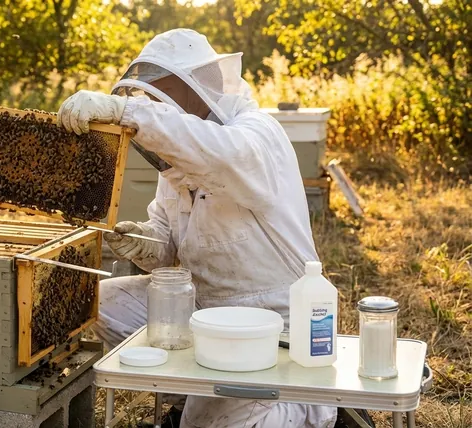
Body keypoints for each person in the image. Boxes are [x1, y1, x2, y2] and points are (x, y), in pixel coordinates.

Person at [56, 29, 346, 428]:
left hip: (271, 322)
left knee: (214, 423)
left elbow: (218, 156)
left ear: (194, 88)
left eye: (159, 95)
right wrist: (141, 242)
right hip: (199, 309)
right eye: (147, 97)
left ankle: (311, 409)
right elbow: (168, 241)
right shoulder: (178, 162)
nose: (153, 104)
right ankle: (187, 396)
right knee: (94, 301)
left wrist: (126, 113)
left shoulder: (258, 135)